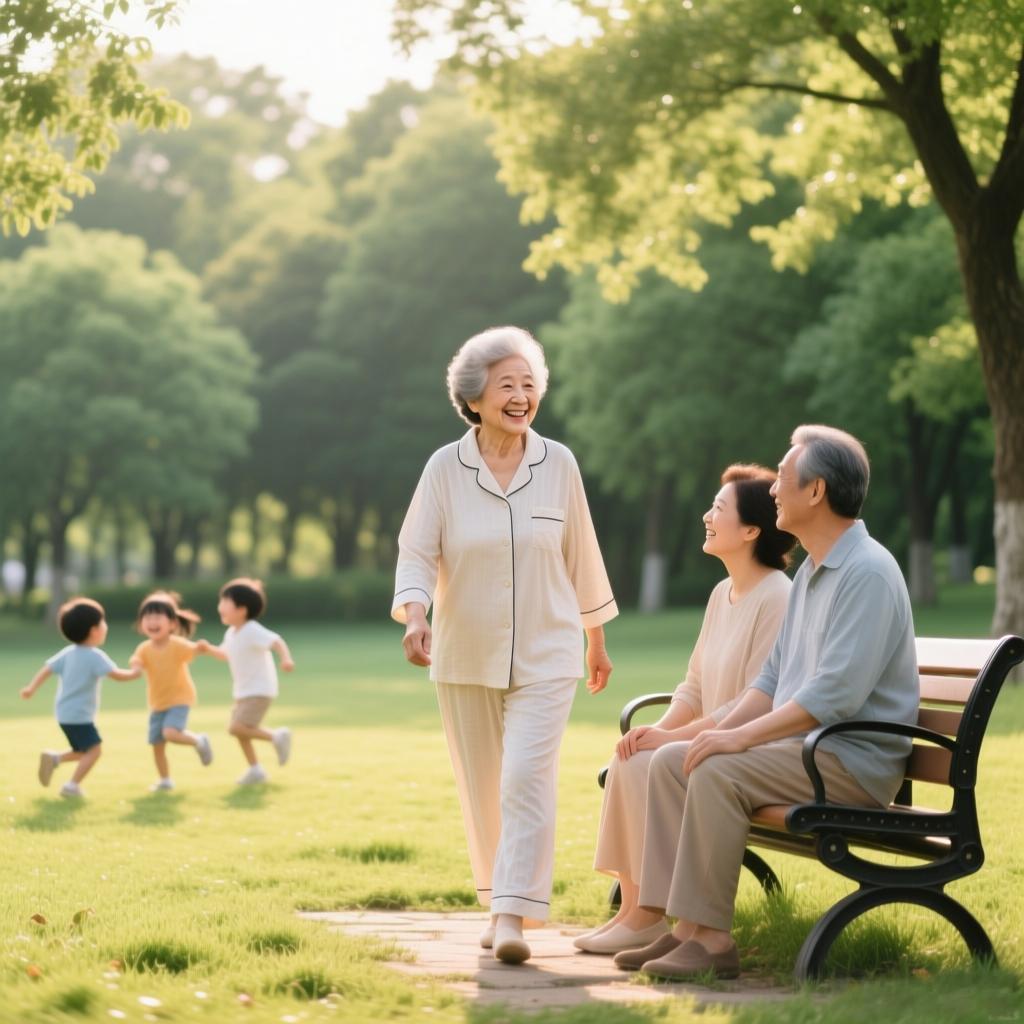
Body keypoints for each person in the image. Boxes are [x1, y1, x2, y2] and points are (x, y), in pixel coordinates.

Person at [617, 424, 919, 980]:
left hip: (851, 761)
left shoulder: (868, 573)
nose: (774, 488)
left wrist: (737, 740)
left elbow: (835, 695)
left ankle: (713, 942)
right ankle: (682, 929)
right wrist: (717, 731)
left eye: (782, 477)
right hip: (809, 751)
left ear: (816, 491)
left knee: (717, 768)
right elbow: (773, 678)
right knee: (672, 761)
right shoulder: (811, 573)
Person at [393, 325, 618, 965]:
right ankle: (500, 903)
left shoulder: (559, 464)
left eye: (529, 384)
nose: (521, 397)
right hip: (464, 653)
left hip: (549, 651)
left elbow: (582, 554)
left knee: (525, 777)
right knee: (485, 786)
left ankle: (512, 916)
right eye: (506, 386)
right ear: (474, 398)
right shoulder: (445, 468)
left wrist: (595, 640)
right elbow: (417, 551)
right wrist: (415, 616)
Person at [575, 465, 795, 954]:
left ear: (751, 531)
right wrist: (656, 730)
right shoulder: (721, 594)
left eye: (718, 509)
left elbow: (754, 701)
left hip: (747, 746)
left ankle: (649, 915)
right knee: (632, 756)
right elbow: (693, 686)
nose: (706, 517)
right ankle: (636, 911)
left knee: (655, 758)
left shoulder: (778, 598)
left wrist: (674, 739)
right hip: (708, 740)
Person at [20, 597, 140, 799]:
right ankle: (71, 786)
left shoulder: (68, 653)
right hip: (79, 716)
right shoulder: (94, 656)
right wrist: (136, 671)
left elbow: (47, 669)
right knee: (95, 751)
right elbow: (118, 676)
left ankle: (54, 759)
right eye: (103, 622)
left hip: (64, 714)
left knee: (82, 750)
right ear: (94, 630)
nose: (106, 626)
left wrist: (31, 688)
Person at [196, 577, 295, 785]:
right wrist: (208, 649)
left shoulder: (251, 629)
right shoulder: (232, 633)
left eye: (225, 602)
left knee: (236, 727)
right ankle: (255, 769)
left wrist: (286, 658)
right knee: (242, 733)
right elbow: (225, 654)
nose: (220, 606)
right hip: (244, 690)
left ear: (241, 610)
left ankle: (277, 736)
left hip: (259, 689)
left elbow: (276, 641)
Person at [129, 590, 214, 791]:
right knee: (157, 744)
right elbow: (136, 662)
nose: (152, 622)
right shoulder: (144, 648)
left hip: (179, 698)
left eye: (158, 617)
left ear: (173, 624)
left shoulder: (176, 645)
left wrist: (200, 648)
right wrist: (135, 667)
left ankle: (198, 741)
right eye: (147, 617)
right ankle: (165, 780)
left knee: (170, 733)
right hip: (157, 702)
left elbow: (193, 649)